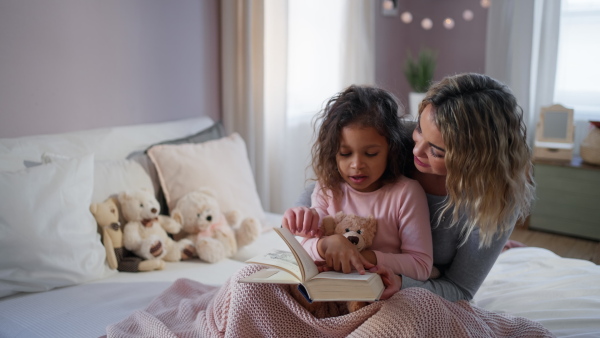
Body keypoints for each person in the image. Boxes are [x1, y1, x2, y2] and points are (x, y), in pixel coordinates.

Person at [295, 73, 535, 302]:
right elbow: (326, 187)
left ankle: (502, 247)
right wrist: (312, 231)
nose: (415, 150)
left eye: (437, 151)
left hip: (419, 287)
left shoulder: (495, 204)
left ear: (473, 161)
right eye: (419, 130)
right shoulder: (398, 139)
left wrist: (401, 283)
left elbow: (460, 289)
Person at [282, 84, 433, 283]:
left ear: (391, 148)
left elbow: (421, 266)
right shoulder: (328, 188)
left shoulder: (406, 193)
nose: (356, 165)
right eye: (345, 154)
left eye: (371, 154)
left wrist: (362, 257)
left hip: (379, 294)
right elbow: (303, 249)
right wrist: (323, 243)